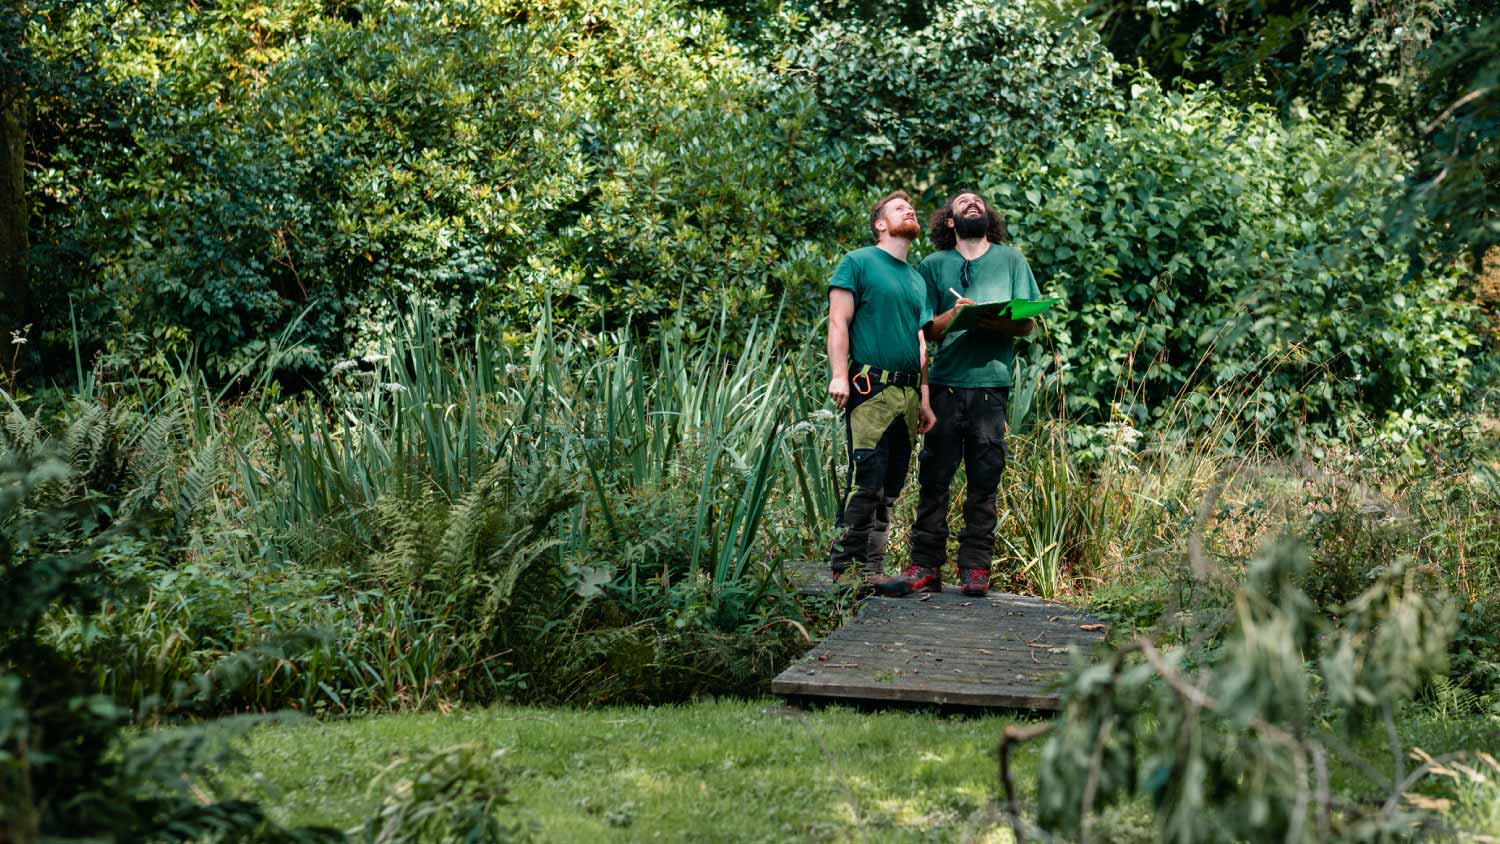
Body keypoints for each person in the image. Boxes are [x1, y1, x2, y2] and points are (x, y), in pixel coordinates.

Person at [879, 189, 1039, 597]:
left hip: (990, 384)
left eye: (978, 202)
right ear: (949, 220)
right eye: (962, 202)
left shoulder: (1011, 260)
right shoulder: (934, 265)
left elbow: (1028, 324)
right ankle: (925, 564)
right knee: (934, 477)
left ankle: (975, 568)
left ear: (988, 218)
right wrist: (955, 316)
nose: (972, 204)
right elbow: (925, 330)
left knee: (985, 479)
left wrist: (990, 321)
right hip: (947, 383)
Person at [826, 191, 936, 592]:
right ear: (880, 224)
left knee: (890, 488)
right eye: (898, 207)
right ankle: (846, 570)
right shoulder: (858, 262)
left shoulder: (917, 279)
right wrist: (839, 375)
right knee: (865, 481)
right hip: (869, 388)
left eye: (910, 207)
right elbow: (839, 322)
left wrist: (924, 399)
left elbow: (921, 343)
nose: (909, 209)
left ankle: (872, 570)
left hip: (907, 397)